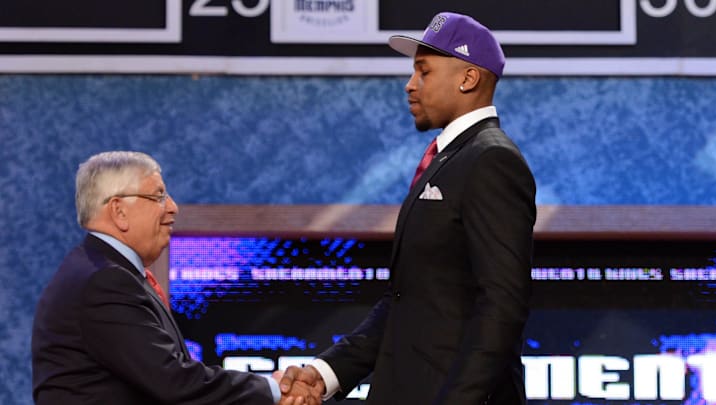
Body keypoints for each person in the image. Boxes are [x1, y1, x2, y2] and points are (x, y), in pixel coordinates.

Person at [279, 11, 537, 404]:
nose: (410, 85)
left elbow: (502, 304)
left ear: (468, 79)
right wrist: (327, 373)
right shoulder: (449, 160)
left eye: (424, 71)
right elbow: (410, 301)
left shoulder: (491, 160)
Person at [31, 151, 319, 405]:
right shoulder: (104, 281)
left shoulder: (100, 270)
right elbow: (174, 381)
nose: (172, 207)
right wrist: (274, 389)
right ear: (119, 211)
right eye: (157, 196)